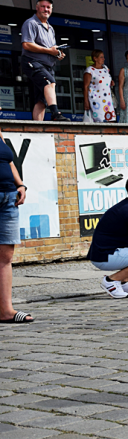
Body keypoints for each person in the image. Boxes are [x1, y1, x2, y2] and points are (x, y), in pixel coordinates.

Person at [0, 124, 33, 323]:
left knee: (6, 255)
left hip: (8, 197)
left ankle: (5, 310)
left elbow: (9, 161)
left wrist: (20, 184)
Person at [21, 0, 68, 121]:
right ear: (37, 7)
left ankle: (37, 129)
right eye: (43, 7)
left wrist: (57, 53)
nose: (46, 9)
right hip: (32, 61)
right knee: (49, 81)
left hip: (47, 65)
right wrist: (49, 51)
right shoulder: (31, 23)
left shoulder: (50, 28)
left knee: (41, 100)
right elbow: (26, 44)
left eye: (48, 7)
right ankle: (55, 114)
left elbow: (50, 48)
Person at [83, 50, 116, 123]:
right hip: (96, 99)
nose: (103, 59)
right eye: (101, 57)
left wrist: (110, 82)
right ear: (95, 58)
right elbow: (86, 86)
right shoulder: (90, 71)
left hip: (107, 99)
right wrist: (86, 101)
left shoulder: (105, 69)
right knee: (99, 119)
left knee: (110, 118)